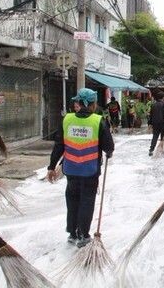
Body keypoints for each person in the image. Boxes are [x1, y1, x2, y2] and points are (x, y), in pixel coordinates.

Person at [47, 88, 114, 248]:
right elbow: (108, 146)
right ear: (92, 104)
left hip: (71, 170)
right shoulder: (98, 121)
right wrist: (109, 152)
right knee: (86, 201)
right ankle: (83, 234)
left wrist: (51, 166)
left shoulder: (67, 119)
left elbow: (59, 145)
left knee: (72, 200)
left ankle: (72, 233)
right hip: (89, 171)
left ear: (79, 103)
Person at [147, 91, 164, 156]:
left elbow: (151, 115)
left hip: (155, 123)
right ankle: (163, 150)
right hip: (163, 123)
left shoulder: (153, 104)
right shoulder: (163, 104)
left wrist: (149, 123)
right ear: (163, 97)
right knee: (163, 137)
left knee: (155, 136)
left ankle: (151, 150)